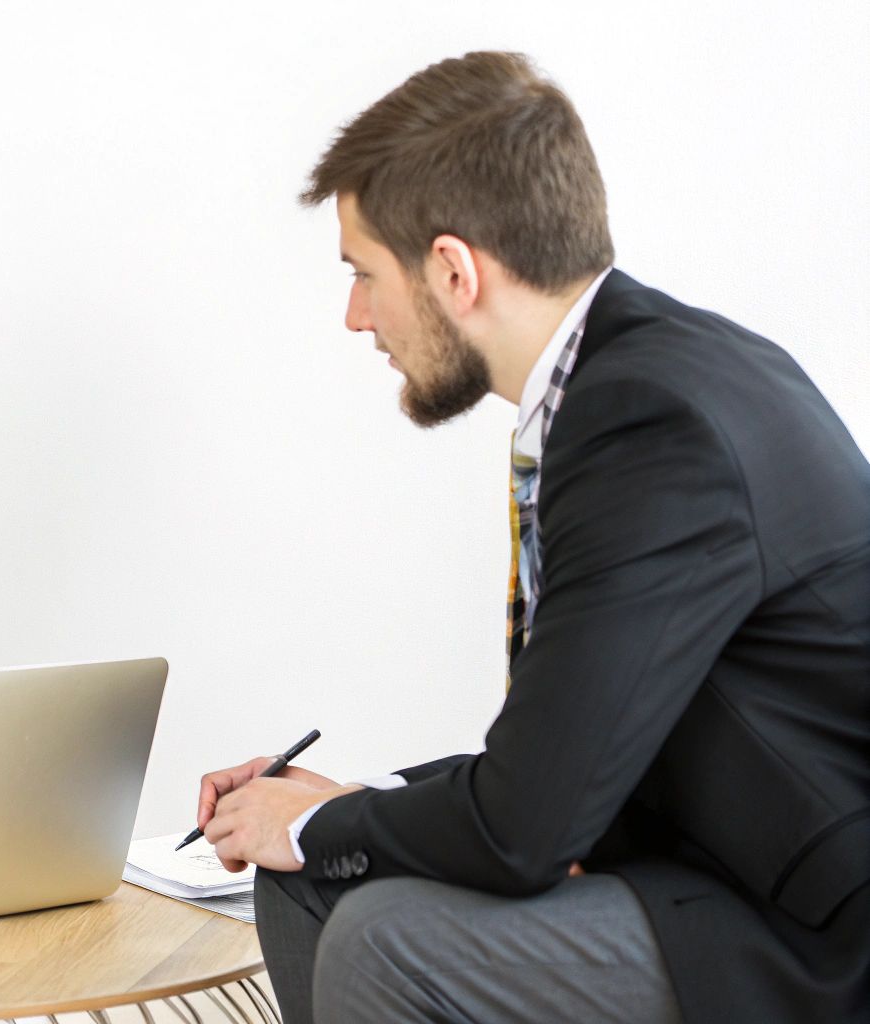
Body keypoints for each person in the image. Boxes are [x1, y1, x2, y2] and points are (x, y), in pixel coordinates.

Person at [197, 52, 869, 1022]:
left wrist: (325, 818)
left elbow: (527, 826)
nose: (354, 317)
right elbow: (566, 755)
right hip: (716, 861)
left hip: (810, 934)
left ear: (451, 269)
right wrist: (336, 805)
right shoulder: (630, 377)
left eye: (361, 274)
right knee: (307, 874)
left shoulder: (647, 420)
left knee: (387, 941)